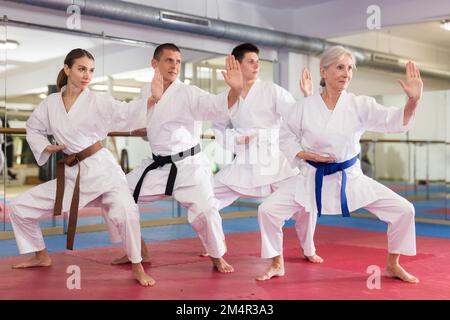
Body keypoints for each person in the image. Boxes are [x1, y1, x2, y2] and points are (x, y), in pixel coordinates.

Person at [257, 45, 421, 283]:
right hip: (310, 178)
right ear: (324, 72)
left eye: (350, 68)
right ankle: (276, 263)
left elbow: (393, 121)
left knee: (404, 210)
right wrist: (304, 154)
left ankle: (393, 264)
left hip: (350, 178)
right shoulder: (303, 107)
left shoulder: (359, 104)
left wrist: (413, 101)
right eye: (340, 67)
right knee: (267, 210)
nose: (347, 73)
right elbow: (285, 136)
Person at [8, 48, 156, 287]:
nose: (87, 75)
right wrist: (46, 147)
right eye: (81, 68)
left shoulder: (97, 100)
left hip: (102, 170)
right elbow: (33, 128)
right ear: (67, 69)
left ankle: (137, 264)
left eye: (91, 70)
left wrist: (150, 100)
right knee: (19, 207)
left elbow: (124, 111)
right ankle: (41, 255)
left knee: (125, 211)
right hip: (72, 174)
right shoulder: (50, 105)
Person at [112, 43, 243, 273]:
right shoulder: (146, 91)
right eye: (169, 60)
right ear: (155, 63)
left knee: (207, 212)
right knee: (114, 195)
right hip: (157, 166)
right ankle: (137, 249)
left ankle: (217, 256)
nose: (174, 66)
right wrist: (141, 130)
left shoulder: (188, 92)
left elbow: (215, 106)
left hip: (189, 167)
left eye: (178, 61)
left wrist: (234, 91)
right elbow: (139, 121)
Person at [212, 43, 323, 263]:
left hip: (276, 160)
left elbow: (296, 116)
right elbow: (218, 128)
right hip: (245, 161)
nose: (256, 66)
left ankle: (308, 248)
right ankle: (214, 244)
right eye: (250, 61)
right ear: (236, 64)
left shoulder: (272, 90)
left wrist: (308, 98)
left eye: (257, 61)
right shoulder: (227, 96)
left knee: (306, 205)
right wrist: (237, 139)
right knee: (206, 200)